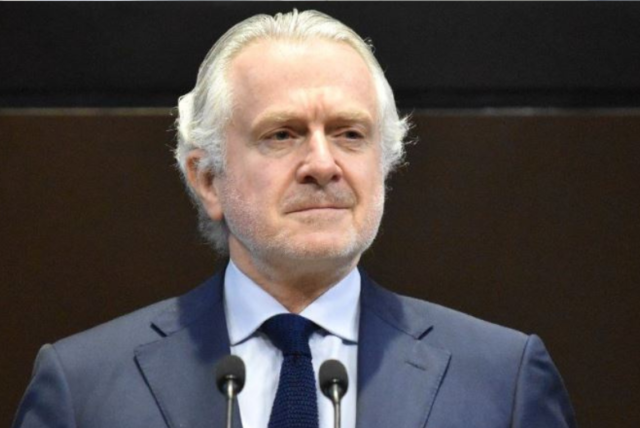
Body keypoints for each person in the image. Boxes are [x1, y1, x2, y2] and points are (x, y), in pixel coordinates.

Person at [13, 10, 576, 428]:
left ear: (384, 165)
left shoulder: (502, 380)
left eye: (350, 134)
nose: (323, 165)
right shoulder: (84, 387)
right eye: (282, 135)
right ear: (207, 179)